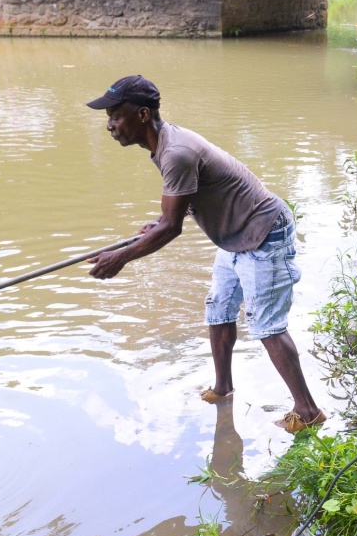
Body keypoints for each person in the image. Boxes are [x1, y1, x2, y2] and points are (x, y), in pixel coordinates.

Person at [85, 75, 326, 434]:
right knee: (218, 307)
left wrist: (120, 257)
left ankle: (309, 412)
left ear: (142, 115)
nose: (109, 125)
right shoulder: (163, 146)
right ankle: (223, 388)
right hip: (233, 236)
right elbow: (176, 211)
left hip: (263, 232)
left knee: (266, 325)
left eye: (116, 116)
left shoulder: (176, 153)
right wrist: (160, 221)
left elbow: (172, 228)